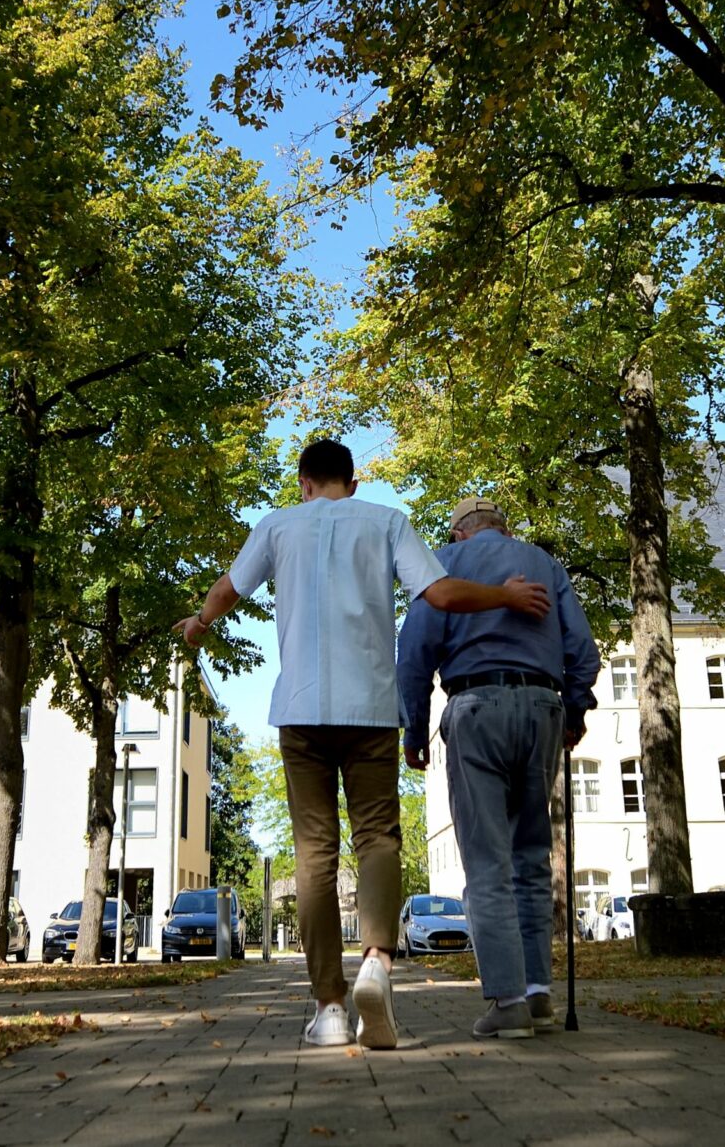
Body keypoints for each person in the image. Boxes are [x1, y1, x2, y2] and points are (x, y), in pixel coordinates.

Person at [178, 442, 551, 1049]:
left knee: (313, 854)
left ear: (302, 483)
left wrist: (199, 623)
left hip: (300, 712)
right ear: (351, 483)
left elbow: (227, 590)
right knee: (377, 836)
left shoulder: (276, 527)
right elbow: (444, 594)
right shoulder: (385, 521)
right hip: (371, 711)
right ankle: (377, 962)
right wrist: (507, 597)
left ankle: (328, 1007)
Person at [397, 496, 600, 1040]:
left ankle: (507, 1001)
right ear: (500, 529)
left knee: (487, 862)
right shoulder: (545, 564)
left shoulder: (444, 565)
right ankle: (539, 996)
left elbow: (414, 649)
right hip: (543, 709)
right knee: (532, 857)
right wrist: (576, 710)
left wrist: (414, 730)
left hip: (476, 706)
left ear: (461, 533)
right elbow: (582, 648)